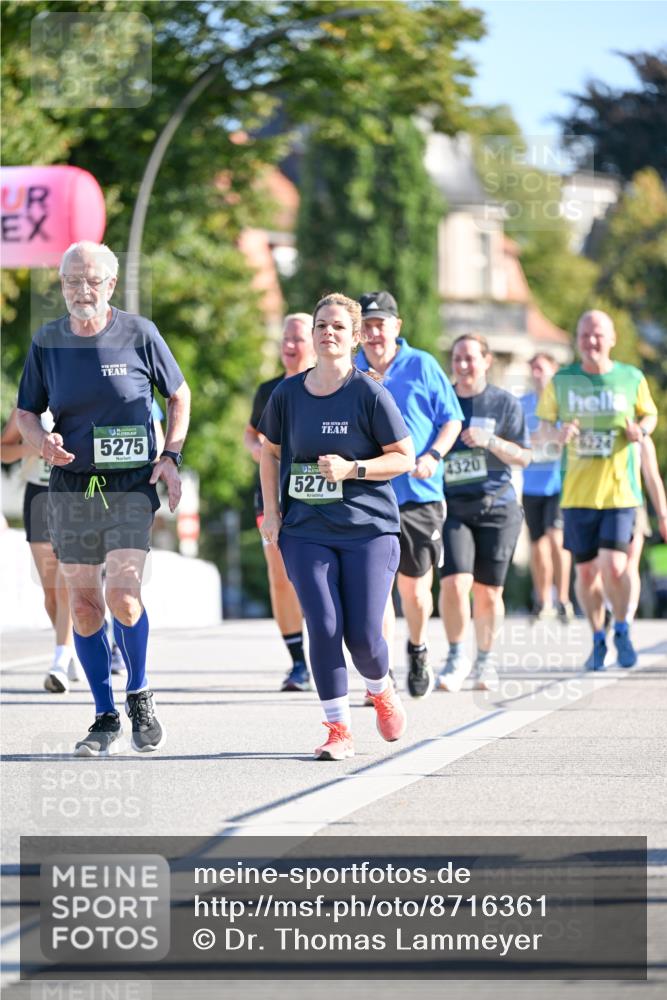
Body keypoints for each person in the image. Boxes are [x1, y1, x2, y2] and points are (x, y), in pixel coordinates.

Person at [16, 240, 191, 755]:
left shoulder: (139, 334)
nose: (81, 290)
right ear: (62, 285)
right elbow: (26, 412)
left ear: (111, 285)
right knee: (87, 607)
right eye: (72, 281)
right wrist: (40, 440)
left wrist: (171, 456)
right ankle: (104, 715)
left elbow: (178, 394)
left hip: (129, 487)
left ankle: (139, 693)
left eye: (92, 280)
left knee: (123, 594)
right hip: (73, 487)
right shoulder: (48, 342)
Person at [259, 293, 414, 760]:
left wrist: (353, 470)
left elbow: (403, 457)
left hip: (368, 529)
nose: (328, 333)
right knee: (323, 626)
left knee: (364, 636)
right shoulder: (287, 394)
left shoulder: (369, 392)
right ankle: (338, 730)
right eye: (321, 325)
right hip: (305, 529)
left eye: (339, 327)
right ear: (312, 334)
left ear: (357, 337)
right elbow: (269, 451)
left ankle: (381, 688)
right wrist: (273, 512)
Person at [355, 291, 463, 698]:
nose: (372, 332)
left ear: (396, 327)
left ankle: (417, 649)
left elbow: (451, 418)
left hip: (419, 494)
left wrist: (434, 454)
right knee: (375, 590)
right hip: (370, 494)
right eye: (365, 325)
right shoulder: (353, 370)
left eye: (379, 324)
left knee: (414, 590)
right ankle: (379, 675)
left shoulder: (422, 365)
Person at [537, 309, 657, 670]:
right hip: (577, 493)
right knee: (586, 573)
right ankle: (597, 636)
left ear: (612, 338)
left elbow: (648, 415)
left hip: (620, 492)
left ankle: (622, 627)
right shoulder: (563, 380)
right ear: (577, 339)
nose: (591, 341)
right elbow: (542, 429)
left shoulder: (630, 378)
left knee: (616, 566)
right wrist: (557, 435)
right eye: (585, 334)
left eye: (598, 334)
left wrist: (642, 430)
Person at [438, 334, 531, 692]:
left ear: (487, 361)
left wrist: (490, 440)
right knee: (455, 582)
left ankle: (485, 660)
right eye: (457, 358)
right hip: (453, 507)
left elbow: (525, 456)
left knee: (488, 592)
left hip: (497, 506)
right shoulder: (442, 399)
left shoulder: (503, 403)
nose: (462, 365)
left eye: (470, 358)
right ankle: (457, 656)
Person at [244, 314, 315, 691]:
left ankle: (327, 652)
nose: (289, 345)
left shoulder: (324, 386)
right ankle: (298, 663)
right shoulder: (269, 389)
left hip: (316, 494)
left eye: (297, 338)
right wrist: (258, 449)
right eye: (285, 338)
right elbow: (250, 433)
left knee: (319, 577)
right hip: (270, 496)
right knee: (281, 577)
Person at [1, 407, 83, 692]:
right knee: (50, 594)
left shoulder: (81, 395)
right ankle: (71, 645)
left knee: (65, 587)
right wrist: (32, 447)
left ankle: (60, 661)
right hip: (39, 496)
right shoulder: (27, 409)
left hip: (73, 494)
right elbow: (4, 451)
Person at [519, 353, 574, 623]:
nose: (537, 373)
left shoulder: (564, 403)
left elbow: (567, 439)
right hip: (531, 484)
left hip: (558, 483)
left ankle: (563, 599)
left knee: (557, 539)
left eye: (542, 368)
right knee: (537, 544)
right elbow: (517, 439)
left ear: (554, 371)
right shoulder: (523, 403)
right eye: (533, 368)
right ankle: (543, 600)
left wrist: (545, 439)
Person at [624, 433, 667, 619]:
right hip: (597, 506)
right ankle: (609, 609)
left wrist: (663, 516)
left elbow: (652, 476)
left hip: (633, 503)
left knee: (630, 563)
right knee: (608, 565)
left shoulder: (642, 438)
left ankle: (625, 621)